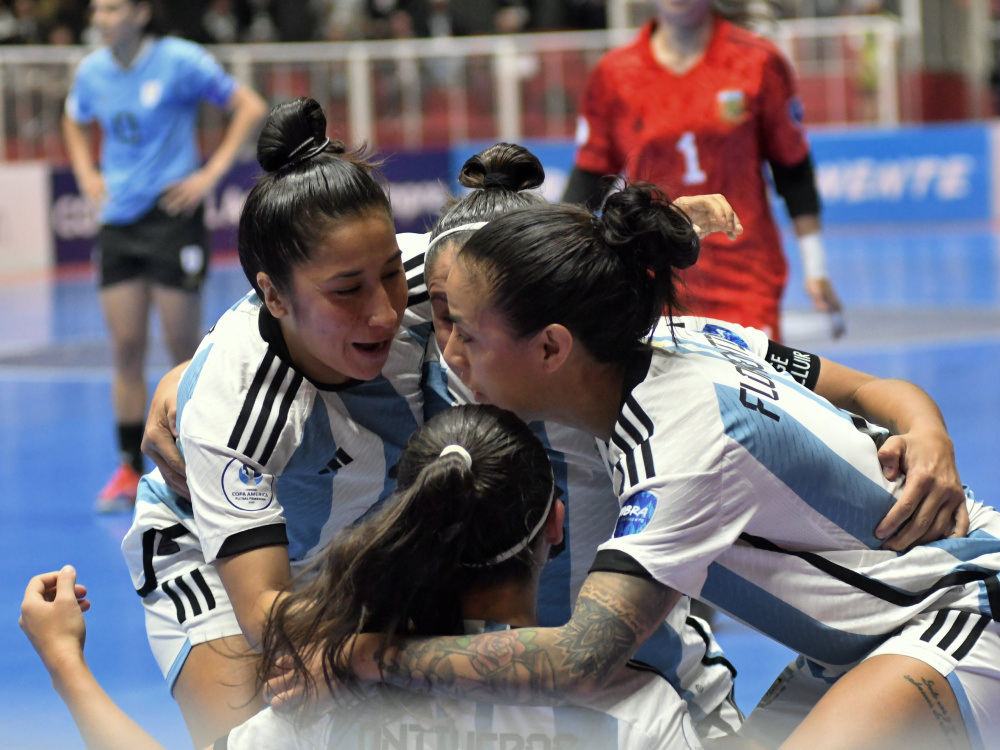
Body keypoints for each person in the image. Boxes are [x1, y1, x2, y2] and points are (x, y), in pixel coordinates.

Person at [304, 184, 998, 750]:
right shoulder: (690, 339)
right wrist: (926, 427)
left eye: (471, 335)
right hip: (870, 633)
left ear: (550, 349)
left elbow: (579, 658)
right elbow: (872, 390)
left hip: (953, 611)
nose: (452, 354)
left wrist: (365, 655)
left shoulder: (679, 451)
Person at [22, 406, 749, 749]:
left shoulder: (320, 702)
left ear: (405, 523)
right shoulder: (641, 711)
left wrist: (66, 664)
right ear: (557, 523)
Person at [120, 96, 431, 747]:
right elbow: (263, 609)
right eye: (348, 291)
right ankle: (66, 665)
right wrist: (382, 649)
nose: (384, 311)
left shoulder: (434, 275)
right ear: (273, 296)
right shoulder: (233, 408)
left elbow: (540, 255)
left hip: (345, 531)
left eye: (390, 273)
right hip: (209, 550)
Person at [62, 0, 267, 513]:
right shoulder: (91, 71)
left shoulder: (180, 59)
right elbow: (73, 119)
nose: (100, 18)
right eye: (96, 9)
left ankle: (197, 464)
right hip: (118, 222)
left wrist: (209, 174)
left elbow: (250, 106)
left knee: (183, 348)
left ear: (140, 13)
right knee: (126, 348)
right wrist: (86, 173)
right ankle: (128, 469)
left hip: (172, 219)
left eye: (112, 8)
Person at [562, 0, 842, 342]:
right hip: (653, 277)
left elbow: (793, 168)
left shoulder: (758, 61)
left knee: (747, 376)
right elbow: (589, 177)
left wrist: (816, 267)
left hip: (745, 277)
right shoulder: (614, 73)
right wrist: (555, 265)